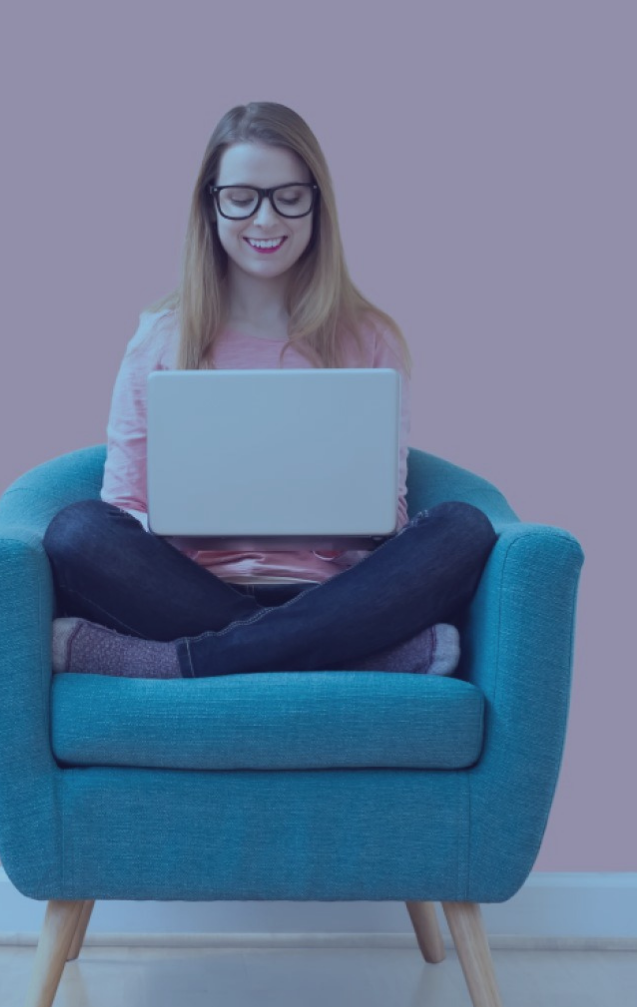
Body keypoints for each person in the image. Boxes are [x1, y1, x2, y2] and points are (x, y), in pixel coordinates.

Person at [46, 102, 498, 680]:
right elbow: (125, 503)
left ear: (317, 202)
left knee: (463, 527)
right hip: (187, 596)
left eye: (288, 197)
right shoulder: (161, 337)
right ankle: (363, 660)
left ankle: (181, 663)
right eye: (242, 197)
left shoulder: (369, 336)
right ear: (211, 204)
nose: (265, 221)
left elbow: (388, 513)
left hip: (341, 596)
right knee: (76, 531)